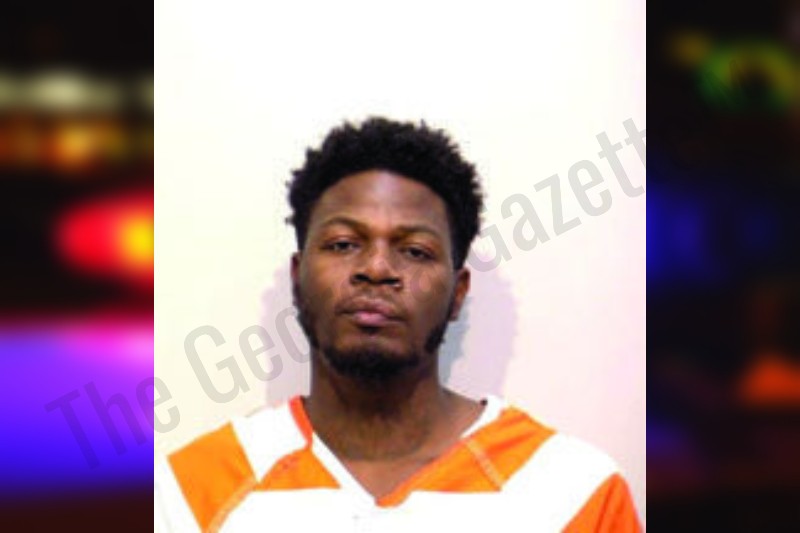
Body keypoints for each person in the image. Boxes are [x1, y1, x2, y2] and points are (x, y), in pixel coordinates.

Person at [154, 118, 642, 532]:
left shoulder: (573, 493)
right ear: (298, 279)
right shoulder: (192, 495)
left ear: (458, 292)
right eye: (344, 244)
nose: (377, 269)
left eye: (415, 251)